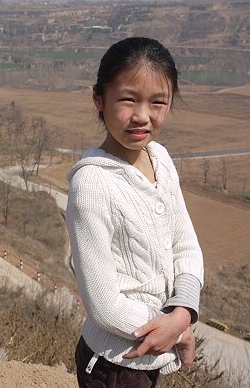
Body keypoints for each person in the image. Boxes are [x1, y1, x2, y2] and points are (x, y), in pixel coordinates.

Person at [66, 37, 204, 388]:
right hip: (115, 365)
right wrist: (176, 331)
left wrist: (183, 313)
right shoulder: (93, 185)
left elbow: (186, 247)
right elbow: (104, 306)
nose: (142, 116)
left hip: (149, 352)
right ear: (99, 97)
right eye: (128, 99)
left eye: (158, 102)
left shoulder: (160, 159)